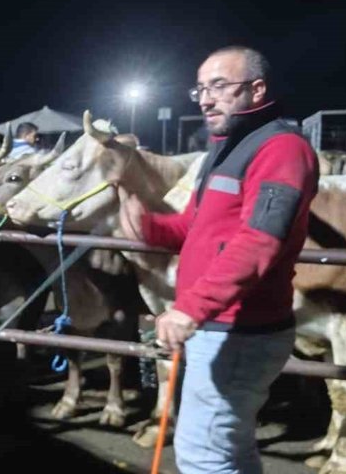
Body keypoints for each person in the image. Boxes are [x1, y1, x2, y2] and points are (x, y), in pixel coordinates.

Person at [119, 46, 318, 473]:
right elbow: (193, 227)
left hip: (241, 332)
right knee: (231, 449)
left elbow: (260, 242)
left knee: (203, 456)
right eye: (201, 89)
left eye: (219, 86)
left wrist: (191, 308)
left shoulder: (282, 149)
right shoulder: (225, 150)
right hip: (222, 328)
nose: (206, 98)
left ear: (257, 89)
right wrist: (147, 226)